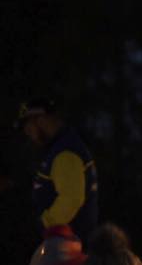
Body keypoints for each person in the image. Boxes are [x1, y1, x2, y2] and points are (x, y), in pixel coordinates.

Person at [17, 97, 99, 241]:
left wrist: (42, 225)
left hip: (66, 248)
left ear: (41, 120)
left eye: (29, 129)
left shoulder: (65, 153)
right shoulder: (59, 148)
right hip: (65, 244)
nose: (29, 136)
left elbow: (71, 198)